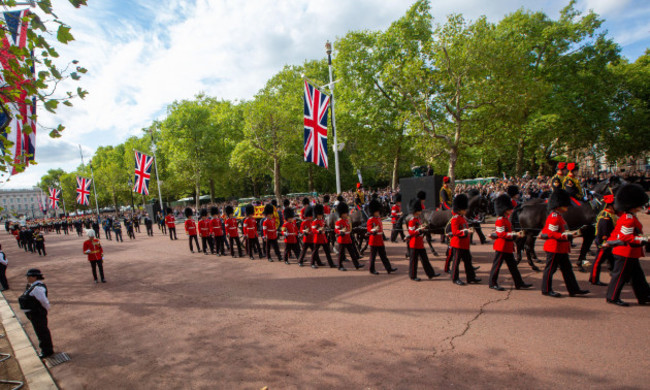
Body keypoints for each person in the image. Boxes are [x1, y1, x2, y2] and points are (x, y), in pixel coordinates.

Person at [605, 184, 650, 306]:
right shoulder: (628, 219)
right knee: (620, 276)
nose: (641, 207)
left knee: (638, 277)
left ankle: (644, 296)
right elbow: (626, 237)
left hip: (630, 252)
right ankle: (612, 297)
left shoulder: (629, 216)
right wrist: (644, 240)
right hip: (625, 252)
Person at [540, 189, 590, 298]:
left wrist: (571, 233)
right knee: (550, 270)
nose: (567, 208)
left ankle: (573, 289)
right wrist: (569, 235)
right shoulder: (554, 218)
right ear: (558, 205)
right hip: (554, 247)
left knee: (567, 270)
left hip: (561, 248)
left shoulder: (558, 216)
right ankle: (546, 289)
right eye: (565, 205)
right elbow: (551, 234)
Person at [489, 194, 532, 291]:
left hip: (507, 246)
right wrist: (515, 235)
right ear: (504, 209)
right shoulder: (500, 220)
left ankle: (519, 283)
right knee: (497, 266)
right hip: (501, 246)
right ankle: (492, 283)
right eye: (509, 209)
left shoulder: (505, 219)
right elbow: (501, 234)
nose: (511, 210)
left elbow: (507, 232)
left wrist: (514, 233)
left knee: (513, 267)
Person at [18, 269, 53, 359]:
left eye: (29, 277)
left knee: (42, 331)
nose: (27, 278)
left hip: (37, 313)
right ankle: (46, 348)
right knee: (40, 331)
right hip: (34, 313)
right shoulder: (32, 286)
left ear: (34, 277)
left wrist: (45, 309)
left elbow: (44, 301)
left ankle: (47, 350)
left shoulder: (38, 288)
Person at [449, 194, 480, 285]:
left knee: (468, 262)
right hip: (458, 244)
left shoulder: (462, 218)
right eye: (464, 209)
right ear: (459, 209)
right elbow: (455, 232)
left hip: (464, 244)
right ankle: (455, 278)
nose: (465, 211)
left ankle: (471, 277)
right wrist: (466, 231)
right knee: (456, 262)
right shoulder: (455, 219)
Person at [407, 198, 439, 281]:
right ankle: (413, 275)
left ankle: (430, 274)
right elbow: (411, 232)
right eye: (419, 210)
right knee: (414, 262)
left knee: (425, 260)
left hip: (420, 243)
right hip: (414, 244)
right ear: (415, 211)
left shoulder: (418, 219)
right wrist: (420, 230)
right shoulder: (412, 220)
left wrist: (423, 228)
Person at [590, 194, 616, 286]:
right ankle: (594, 279)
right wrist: (605, 242)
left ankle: (618, 277)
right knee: (598, 261)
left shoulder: (610, 214)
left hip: (610, 242)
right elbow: (603, 231)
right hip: (605, 242)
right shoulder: (605, 215)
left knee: (613, 261)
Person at [367, 199, 397, 275]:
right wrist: (373, 231)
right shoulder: (371, 220)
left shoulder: (378, 218)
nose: (378, 213)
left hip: (379, 240)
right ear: (374, 212)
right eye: (377, 212)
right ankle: (371, 269)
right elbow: (369, 229)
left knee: (383, 255)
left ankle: (389, 268)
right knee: (373, 257)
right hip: (374, 240)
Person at [335, 201, 363, 271]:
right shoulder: (339, 221)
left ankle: (357, 264)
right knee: (341, 254)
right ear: (341, 214)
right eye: (344, 213)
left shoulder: (346, 220)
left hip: (348, 239)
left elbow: (348, 228)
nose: (346, 214)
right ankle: (339, 265)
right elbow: (336, 230)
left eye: (346, 213)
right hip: (342, 239)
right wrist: (341, 232)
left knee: (352, 253)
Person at [310, 204, 335, 269]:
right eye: (319, 214)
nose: (321, 215)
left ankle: (331, 264)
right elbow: (313, 230)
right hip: (317, 239)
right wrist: (319, 231)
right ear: (316, 214)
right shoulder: (314, 222)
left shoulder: (322, 220)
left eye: (321, 214)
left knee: (327, 252)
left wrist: (325, 229)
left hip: (323, 239)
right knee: (315, 252)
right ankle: (312, 263)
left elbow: (323, 227)